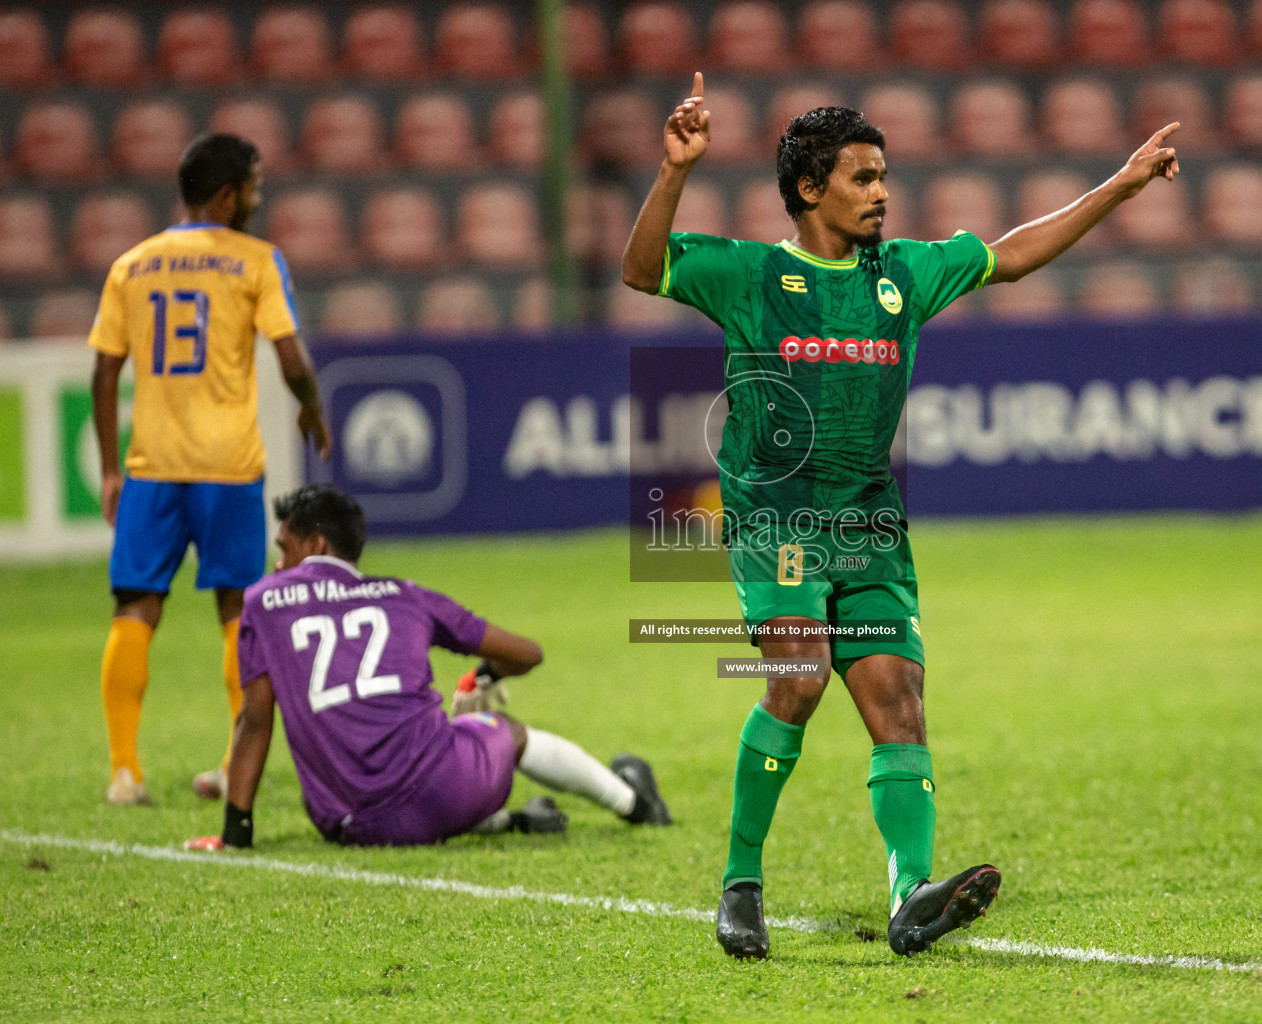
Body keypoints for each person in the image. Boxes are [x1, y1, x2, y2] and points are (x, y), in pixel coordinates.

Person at [620, 73, 1180, 958]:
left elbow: (1015, 252)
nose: (883, 192)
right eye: (863, 177)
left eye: (884, 176)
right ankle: (741, 884)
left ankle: (910, 896)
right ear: (811, 189)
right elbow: (641, 270)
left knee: (899, 703)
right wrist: (674, 171)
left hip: (869, 527)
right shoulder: (750, 274)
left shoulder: (904, 275)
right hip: (779, 527)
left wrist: (1119, 183)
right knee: (798, 681)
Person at [185, 484, 670, 852]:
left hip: (348, 822)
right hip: (443, 792)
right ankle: (634, 804)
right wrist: (489, 674)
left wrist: (237, 832)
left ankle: (509, 821)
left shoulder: (265, 600)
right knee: (502, 731)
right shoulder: (406, 595)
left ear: (314, 545)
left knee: (438, 754)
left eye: (283, 547)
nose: (277, 562)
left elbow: (255, 719)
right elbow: (528, 653)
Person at [90, 133, 332, 807]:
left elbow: (105, 373)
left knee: (135, 606)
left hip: (152, 466)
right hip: (227, 467)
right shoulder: (255, 261)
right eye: (253, 186)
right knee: (237, 609)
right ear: (228, 194)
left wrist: (112, 468)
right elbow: (291, 358)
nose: (258, 197)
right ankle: (233, 764)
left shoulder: (132, 265)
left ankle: (124, 772)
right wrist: (311, 411)